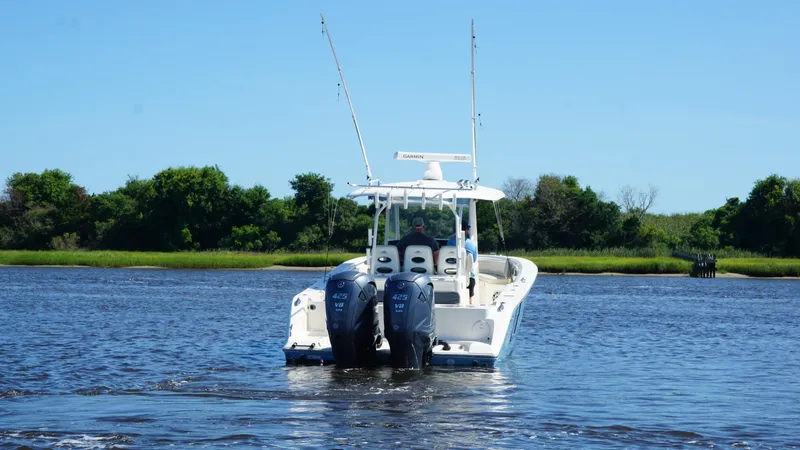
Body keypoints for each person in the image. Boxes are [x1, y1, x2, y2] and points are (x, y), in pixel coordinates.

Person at [447, 221, 477, 303]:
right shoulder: (472, 245)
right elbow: (473, 260)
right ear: (466, 230)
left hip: (452, 275)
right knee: (472, 278)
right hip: (469, 279)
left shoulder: (450, 243)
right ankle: (470, 301)